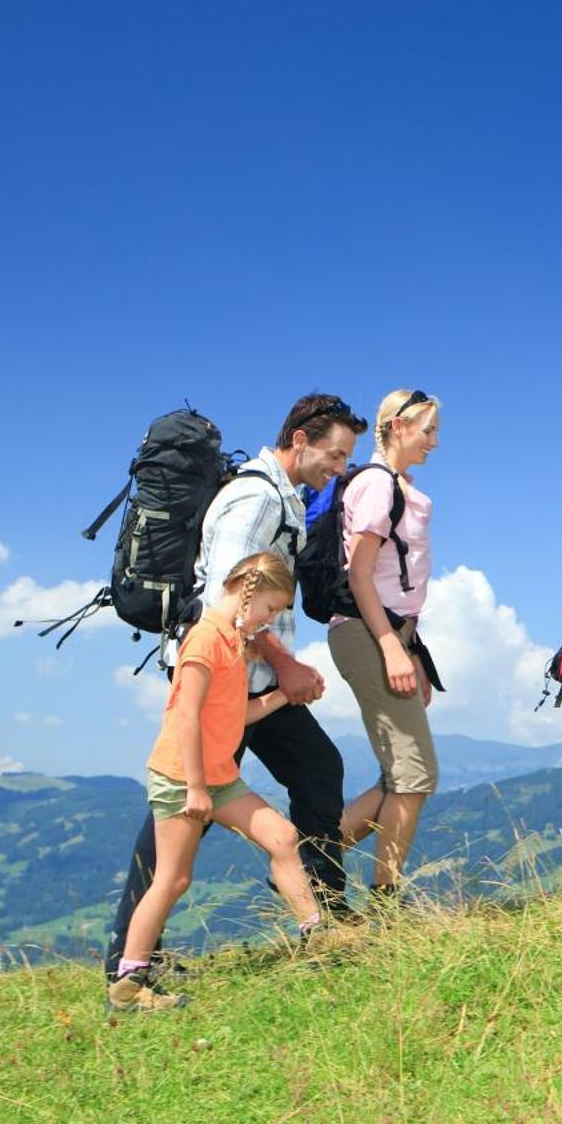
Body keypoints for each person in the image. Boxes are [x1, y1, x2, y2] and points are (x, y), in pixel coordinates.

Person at [103, 393, 368, 983]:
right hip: (226, 674)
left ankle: (322, 916)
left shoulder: (281, 498)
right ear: (300, 439)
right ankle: (128, 960)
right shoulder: (254, 498)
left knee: (317, 769)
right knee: (182, 807)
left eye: (347, 458)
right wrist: (286, 663)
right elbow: (233, 596)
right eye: (335, 453)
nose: (340, 467)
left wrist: (278, 680)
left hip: (255, 681)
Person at [108, 553, 320, 1012]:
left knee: (282, 837)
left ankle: (317, 938)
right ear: (246, 587)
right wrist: (197, 788)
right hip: (183, 776)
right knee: (173, 878)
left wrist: (285, 694)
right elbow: (185, 714)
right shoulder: (205, 638)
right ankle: (128, 983)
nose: (269, 621)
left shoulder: (232, 641)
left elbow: (235, 715)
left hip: (219, 774)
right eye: (269, 609)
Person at [332, 388, 444, 909]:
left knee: (404, 774)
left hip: (390, 632)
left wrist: (411, 649)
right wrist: (389, 646)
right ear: (397, 427)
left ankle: (313, 855)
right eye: (427, 431)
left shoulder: (394, 486)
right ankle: (385, 901)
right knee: (414, 774)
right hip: (368, 631)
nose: (434, 443)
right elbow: (359, 573)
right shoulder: (377, 486)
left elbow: (392, 580)